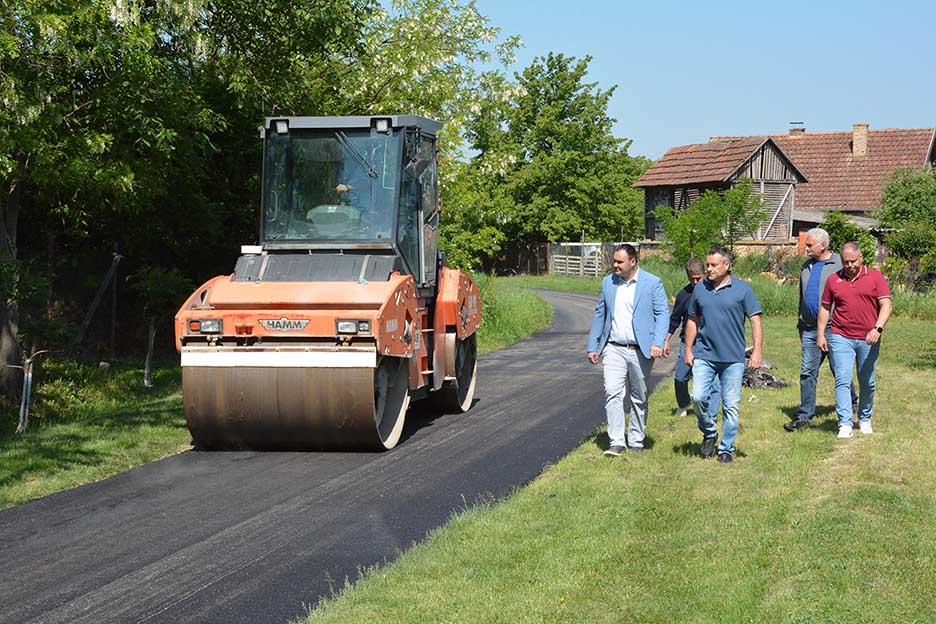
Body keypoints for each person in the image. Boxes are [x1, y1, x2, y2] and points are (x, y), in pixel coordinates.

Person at [587, 244, 669, 456]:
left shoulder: (652, 283)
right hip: (614, 348)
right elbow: (600, 315)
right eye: (614, 261)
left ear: (633, 262)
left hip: (640, 349)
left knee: (638, 395)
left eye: (619, 262)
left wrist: (658, 342)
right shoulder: (608, 283)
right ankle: (616, 441)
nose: (614, 265)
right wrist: (592, 345)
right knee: (612, 392)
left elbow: (662, 314)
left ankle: (636, 439)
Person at [684, 246, 763, 463]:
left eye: (713, 265)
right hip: (704, 354)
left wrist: (756, 351)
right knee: (698, 397)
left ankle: (726, 448)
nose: (708, 269)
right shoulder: (700, 289)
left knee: (730, 405)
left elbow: (755, 320)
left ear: (726, 265)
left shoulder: (743, 290)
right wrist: (688, 350)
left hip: (732, 358)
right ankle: (709, 431)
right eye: (707, 264)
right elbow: (692, 320)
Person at [817, 241, 892, 439]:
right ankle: (845, 423)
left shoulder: (875, 277)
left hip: (868, 337)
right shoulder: (834, 280)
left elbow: (886, 305)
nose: (849, 265)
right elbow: (825, 307)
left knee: (867, 381)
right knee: (842, 379)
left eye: (853, 261)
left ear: (861, 258)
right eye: (845, 262)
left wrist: (877, 328)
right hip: (841, 336)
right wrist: (821, 333)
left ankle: (865, 417)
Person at [785, 228, 856, 431]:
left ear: (823, 245)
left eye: (809, 245)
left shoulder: (839, 264)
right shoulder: (806, 267)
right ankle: (805, 415)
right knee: (808, 372)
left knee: (838, 368)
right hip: (809, 329)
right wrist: (801, 323)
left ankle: (852, 401)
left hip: (835, 327)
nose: (805, 248)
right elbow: (802, 297)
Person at [662, 259, 709, 417]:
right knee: (681, 377)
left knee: (704, 378)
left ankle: (704, 407)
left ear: (705, 274)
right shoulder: (684, 295)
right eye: (692, 279)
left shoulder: (713, 291)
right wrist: (666, 340)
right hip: (687, 342)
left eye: (698, 278)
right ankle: (683, 403)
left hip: (708, 342)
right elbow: (675, 319)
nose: (695, 282)